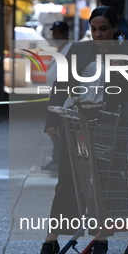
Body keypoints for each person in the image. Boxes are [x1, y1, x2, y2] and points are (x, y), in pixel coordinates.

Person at [32, 6, 128, 254]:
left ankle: (100, 241)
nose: (98, 34)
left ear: (115, 28)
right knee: (67, 182)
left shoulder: (126, 55)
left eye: (103, 29)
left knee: (103, 184)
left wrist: (120, 69)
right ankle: (50, 241)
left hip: (108, 125)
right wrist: (52, 119)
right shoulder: (79, 50)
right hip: (77, 122)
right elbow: (61, 84)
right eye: (93, 29)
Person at [92, 0, 128, 254]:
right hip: (110, 111)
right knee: (108, 163)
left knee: (111, 162)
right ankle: (104, 227)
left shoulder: (121, 38)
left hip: (116, 110)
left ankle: (110, 219)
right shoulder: (124, 33)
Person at [41, 21, 71, 172]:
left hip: (62, 99)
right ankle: (55, 160)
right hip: (55, 97)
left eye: (60, 33)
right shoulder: (58, 51)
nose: (57, 36)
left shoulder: (69, 51)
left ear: (67, 34)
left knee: (57, 130)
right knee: (55, 131)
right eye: (55, 33)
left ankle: (58, 162)